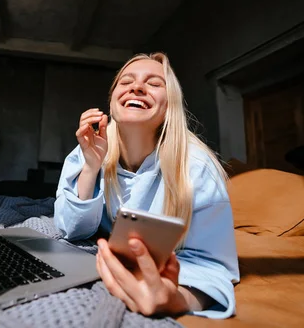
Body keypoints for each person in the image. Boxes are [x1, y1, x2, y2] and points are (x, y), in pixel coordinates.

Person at [54, 53, 240, 319]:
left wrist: (173, 299)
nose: (137, 87)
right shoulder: (91, 146)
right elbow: (70, 229)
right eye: (126, 81)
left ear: (170, 105)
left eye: (154, 83)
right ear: (113, 99)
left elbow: (214, 266)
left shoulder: (197, 167)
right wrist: (91, 166)